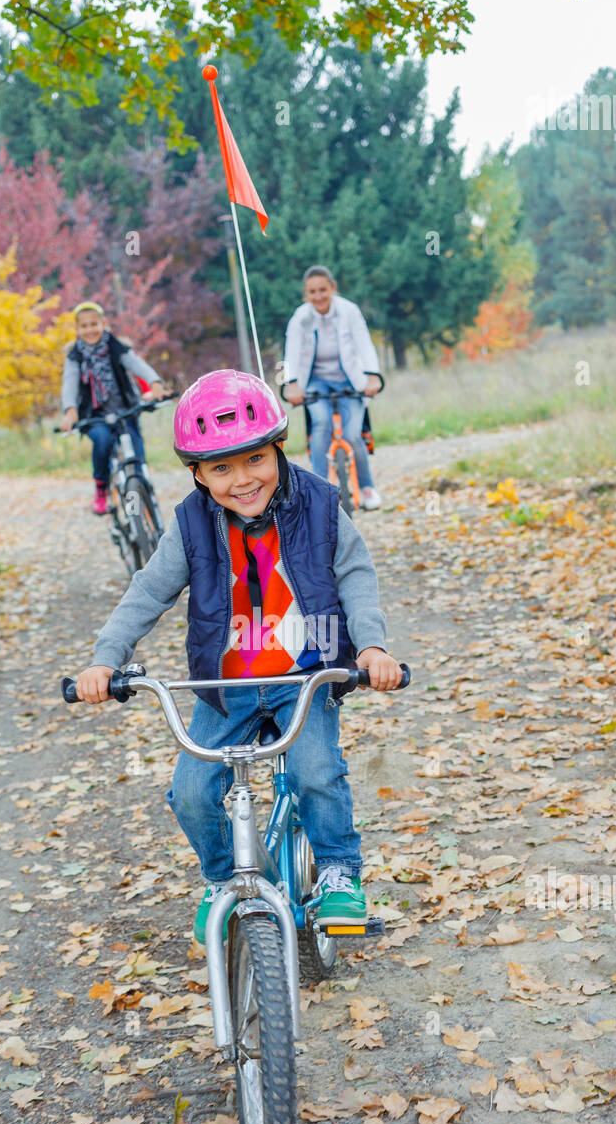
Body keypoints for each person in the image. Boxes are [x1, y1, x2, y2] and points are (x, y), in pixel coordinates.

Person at [73, 369, 402, 944]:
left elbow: (355, 575)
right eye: (220, 468)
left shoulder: (321, 505)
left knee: (315, 771)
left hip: (305, 674)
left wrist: (371, 646)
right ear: (196, 473)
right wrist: (106, 659)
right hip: (225, 686)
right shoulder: (191, 524)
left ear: (278, 448)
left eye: (254, 459)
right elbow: (150, 591)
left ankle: (337, 874)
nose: (242, 479)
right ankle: (225, 878)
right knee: (193, 791)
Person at [282, 265, 383, 509]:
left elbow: (364, 344)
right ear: (306, 294)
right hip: (316, 382)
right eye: (312, 292)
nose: (318, 296)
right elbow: (292, 351)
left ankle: (367, 487)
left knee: (352, 433)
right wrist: (292, 384)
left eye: (323, 290)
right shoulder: (300, 318)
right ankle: (320, 489)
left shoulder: (349, 311)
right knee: (321, 425)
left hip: (349, 380)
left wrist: (373, 376)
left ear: (333, 288)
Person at [60, 301, 164, 515]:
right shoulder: (74, 356)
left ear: (103, 324)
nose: (90, 330)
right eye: (84, 326)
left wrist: (154, 382)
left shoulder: (115, 346)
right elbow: (69, 383)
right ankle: (101, 487)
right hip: (95, 417)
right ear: (77, 329)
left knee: (136, 459)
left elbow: (136, 364)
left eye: (94, 324)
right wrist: (70, 410)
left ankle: (139, 503)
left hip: (125, 411)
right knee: (103, 441)